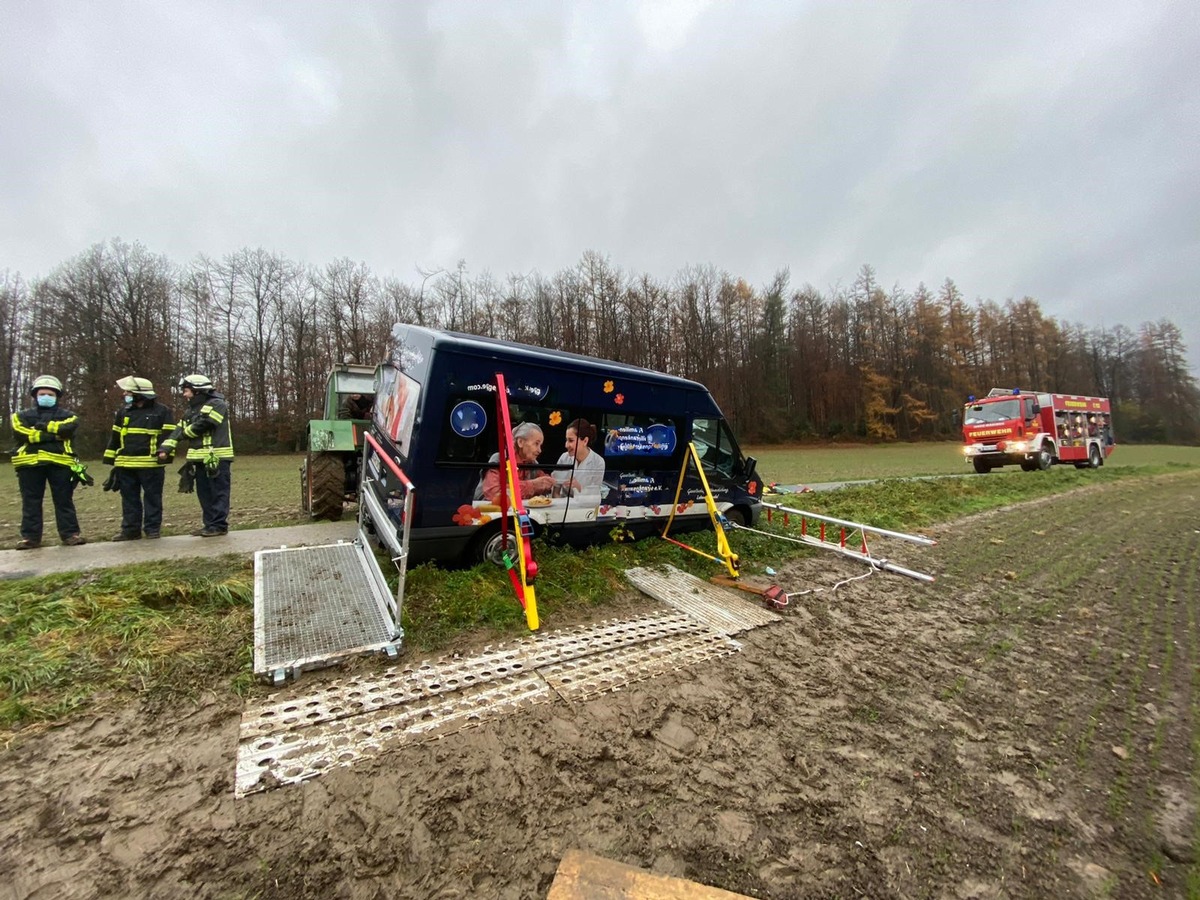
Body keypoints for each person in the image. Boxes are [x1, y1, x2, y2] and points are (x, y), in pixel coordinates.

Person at [10, 375, 87, 549]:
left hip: (61, 465)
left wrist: (39, 431)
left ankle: (71, 535)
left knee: (64, 501)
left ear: (57, 396)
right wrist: (54, 435)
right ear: (35, 395)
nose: (46, 396)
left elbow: (68, 428)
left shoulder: (70, 416)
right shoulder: (20, 416)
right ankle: (31, 538)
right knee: (31, 502)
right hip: (29, 465)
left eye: (50, 394)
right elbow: (21, 433)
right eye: (42, 393)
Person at [157, 374, 234, 537]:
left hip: (217, 458)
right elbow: (177, 431)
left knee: (218, 493)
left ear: (197, 391)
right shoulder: (190, 411)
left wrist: (184, 434)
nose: (184, 395)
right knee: (204, 494)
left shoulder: (217, 404)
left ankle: (219, 525)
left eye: (186, 391)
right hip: (198, 459)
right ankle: (209, 525)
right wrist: (165, 448)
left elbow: (205, 424)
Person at [103, 376, 176, 540]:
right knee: (129, 499)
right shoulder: (123, 412)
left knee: (153, 499)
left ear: (139, 394)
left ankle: (152, 529)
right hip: (125, 464)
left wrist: (165, 453)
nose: (124, 394)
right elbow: (115, 436)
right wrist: (110, 458)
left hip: (151, 465)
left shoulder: (162, 411)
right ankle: (130, 530)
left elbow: (169, 435)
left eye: (128, 392)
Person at [475, 422, 556, 502]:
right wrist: (533, 485)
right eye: (536, 444)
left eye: (540, 445)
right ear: (520, 442)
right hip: (491, 512)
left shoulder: (533, 464)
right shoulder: (500, 459)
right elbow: (494, 492)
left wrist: (549, 483)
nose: (539, 450)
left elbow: (544, 482)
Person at [553, 418, 606, 497]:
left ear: (585, 441)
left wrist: (579, 488)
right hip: (563, 505)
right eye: (566, 440)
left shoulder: (598, 462)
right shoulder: (564, 458)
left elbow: (594, 496)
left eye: (570, 440)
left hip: (585, 506)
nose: (566, 445)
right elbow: (555, 492)